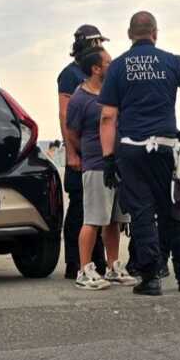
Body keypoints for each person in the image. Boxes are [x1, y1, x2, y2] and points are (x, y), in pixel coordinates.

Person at [99, 11, 180, 296]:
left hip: (131, 149)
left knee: (141, 212)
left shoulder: (117, 67)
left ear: (130, 34)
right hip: (165, 146)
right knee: (172, 211)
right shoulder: (170, 61)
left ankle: (151, 278)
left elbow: (107, 117)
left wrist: (108, 159)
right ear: (155, 33)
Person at [65, 46, 138, 290]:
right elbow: (72, 132)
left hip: (117, 165)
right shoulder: (79, 99)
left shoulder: (112, 93)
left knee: (113, 220)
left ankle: (113, 266)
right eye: (108, 62)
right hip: (96, 166)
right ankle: (84, 270)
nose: (113, 64)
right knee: (93, 219)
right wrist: (80, 153)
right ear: (96, 68)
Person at [58, 25, 107, 279]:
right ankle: (74, 262)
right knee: (79, 207)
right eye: (98, 42)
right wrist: (72, 152)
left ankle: (98, 261)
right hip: (80, 151)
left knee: (97, 209)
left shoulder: (101, 73)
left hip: (99, 151)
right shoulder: (70, 74)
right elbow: (66, 114)